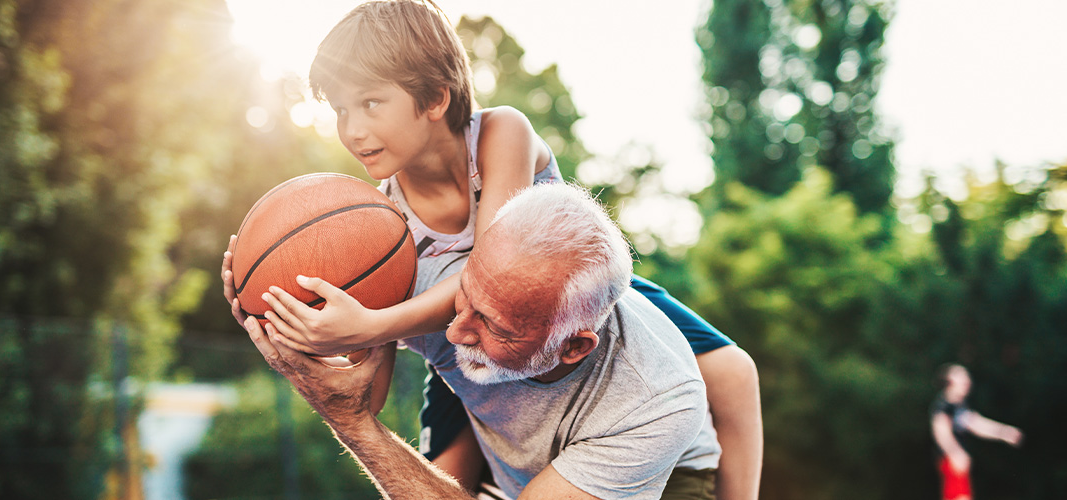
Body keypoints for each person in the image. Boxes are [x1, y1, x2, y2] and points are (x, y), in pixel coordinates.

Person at [219, 0, 760, 497]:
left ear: (435, 98)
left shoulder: (501, 133)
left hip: (561, 299)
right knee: (429, 475)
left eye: (370, 103)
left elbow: (486, 264)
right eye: (339, 109)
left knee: (732, 372)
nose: (352, 129)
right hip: (470, 351)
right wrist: (283, 318)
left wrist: (370, 324)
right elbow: (368, 394)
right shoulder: (373, 227)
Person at [248, 183, 722, 499]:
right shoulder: (432, 280)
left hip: (665, 479)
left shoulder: (656, 404)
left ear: (573, 346)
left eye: (494, 327)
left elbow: (357, 415)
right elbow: (351, 370)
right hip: (516, 465)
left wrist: (350, 422)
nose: (454, 332)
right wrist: (263, 311)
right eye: (464, 296)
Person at [930, 363, 1023, 500]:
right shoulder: (943, 406)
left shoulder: (960, 406)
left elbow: (978, 424)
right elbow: (941, 432)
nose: (967, 380)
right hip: (951, 461)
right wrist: (955, 453)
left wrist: (1004, 432)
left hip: (958, 461)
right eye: (961, 376)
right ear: (949, 382)